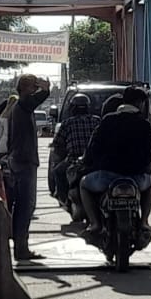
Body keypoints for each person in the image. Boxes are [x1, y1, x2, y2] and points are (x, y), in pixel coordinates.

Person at [79, 86, 151, 244]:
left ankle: (94, 224)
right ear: (140, 103)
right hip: (136, 178)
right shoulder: (144, 124)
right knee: (149, 187)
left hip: (106, 176)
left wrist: (88, 163)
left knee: (84, 185)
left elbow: (94, 147)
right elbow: (148, 154)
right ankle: (144, 222)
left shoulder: (108, 120)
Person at [2, 74, 52, 260]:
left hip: (20, 159)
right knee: (26, 205)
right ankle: (21, 247)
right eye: (33, 86)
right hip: (23, 161)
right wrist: (45, 90)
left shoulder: (20, 108)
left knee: (22, 205)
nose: (35, 90)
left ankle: (20, 245)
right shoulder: (23, 105)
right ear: (25, 89)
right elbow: (35, 100)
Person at [50, 94, 101, 222]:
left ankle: (65, 201)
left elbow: (57, 144)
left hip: (74, 161)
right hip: (95, 162)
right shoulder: (97, 120)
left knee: (57, 171)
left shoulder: (67, 123)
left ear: (72, 108)